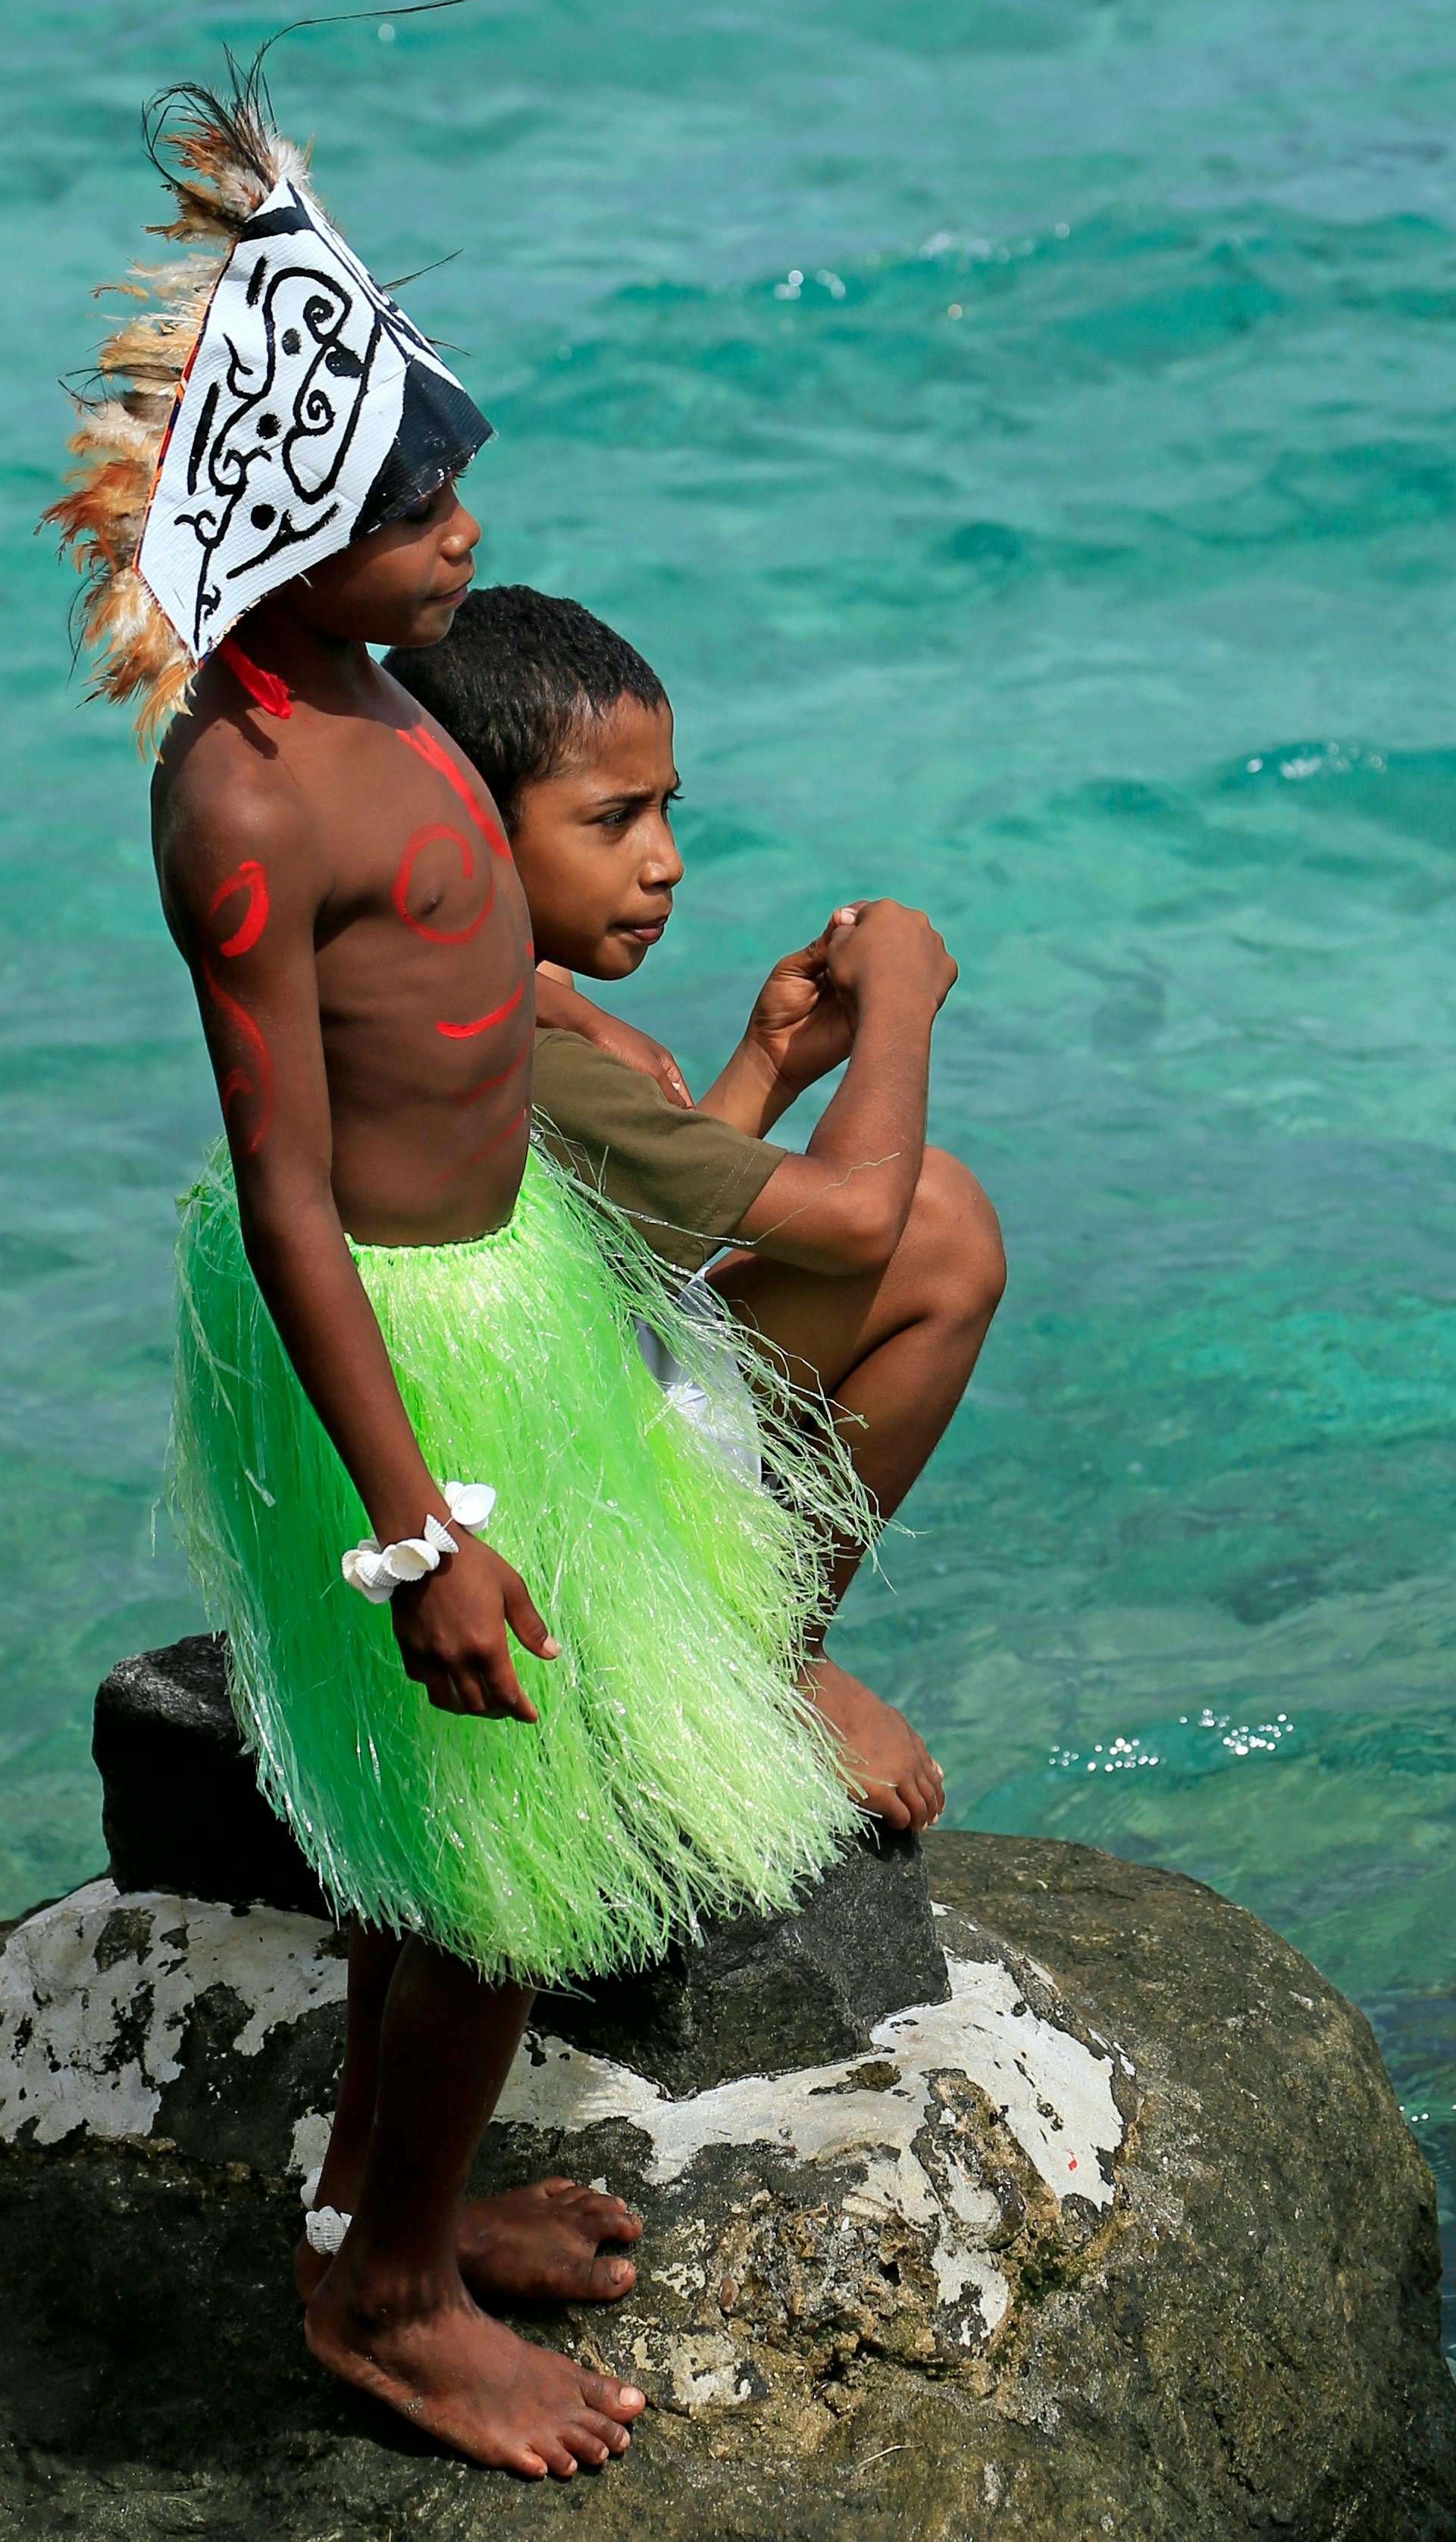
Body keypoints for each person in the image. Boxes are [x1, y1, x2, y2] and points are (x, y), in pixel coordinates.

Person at [45, 66, 870, 2482]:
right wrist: (414, 1531)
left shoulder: (385, 690)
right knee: (484, 1850)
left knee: (489, 1843)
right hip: (393, 1343)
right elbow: (289, 1189)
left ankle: (392, 2206)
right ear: (301, 527)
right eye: (416, 504)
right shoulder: (245, 788)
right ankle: (381, 2300)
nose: (465, 532)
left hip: (501, 1287)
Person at [387, 586, 1007, 1838]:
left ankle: (761, 1653)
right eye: (614, 819)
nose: (664, 859)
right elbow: (855, 1224)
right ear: (470, 826)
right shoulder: (524, 1046)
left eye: (669, 808)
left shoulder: (475, 986)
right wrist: (895, 1008)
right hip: (558, 1508)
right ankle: (772, 1662)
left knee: (916, 1218)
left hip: (556, 1430)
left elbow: (621, 1249)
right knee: (939, 1221)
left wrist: (771, 1063)